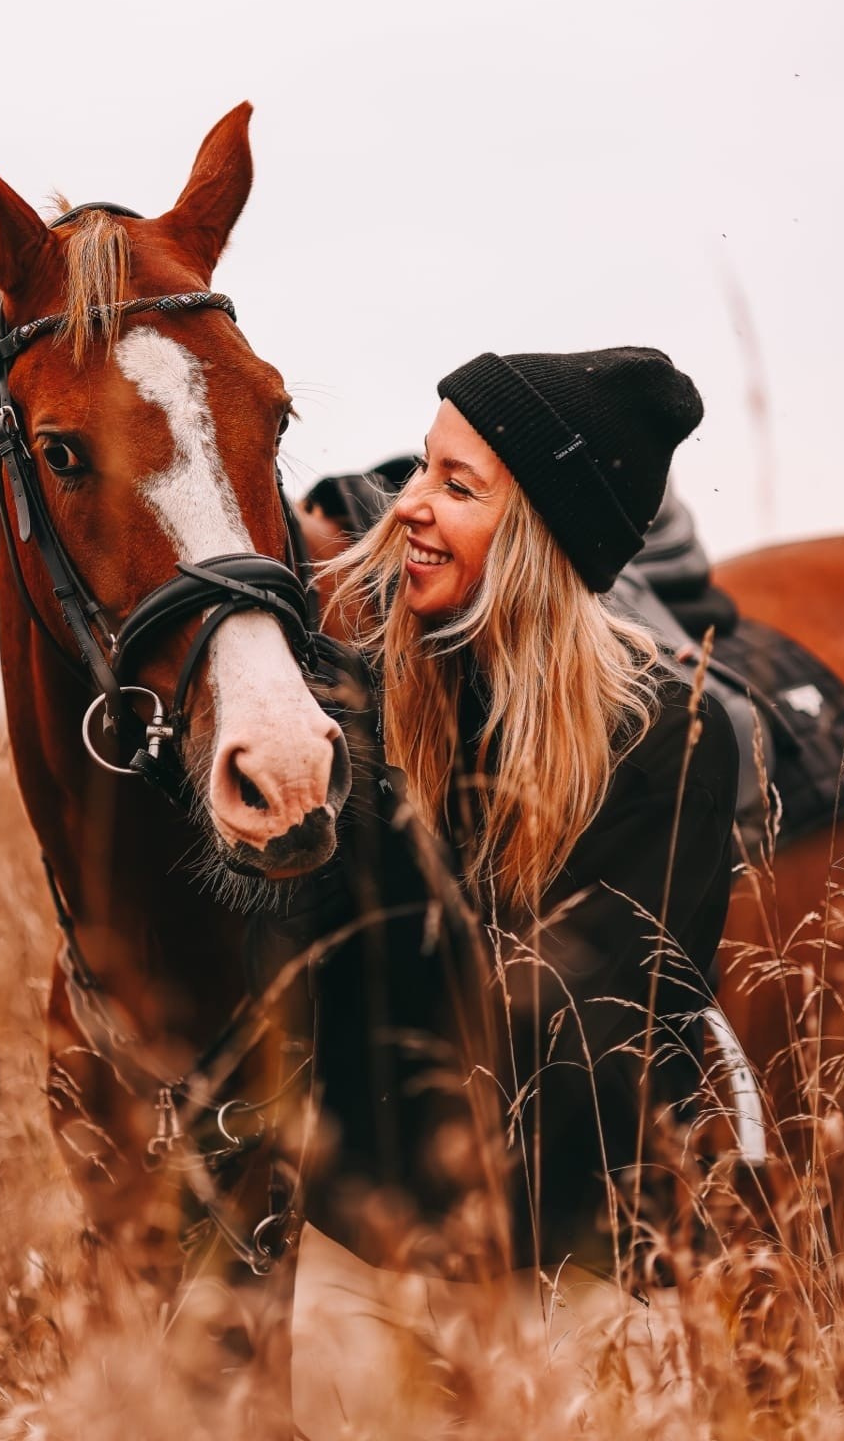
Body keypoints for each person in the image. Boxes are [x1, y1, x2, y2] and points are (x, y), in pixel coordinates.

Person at [285, 346, 740, 1427]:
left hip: (572, 1270)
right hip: (355, 1251)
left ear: (539, 535)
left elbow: (588, 1053)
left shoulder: (662, 737)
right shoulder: (366, 705)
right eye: (417, 473)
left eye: (455, 485)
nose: (404, 510)